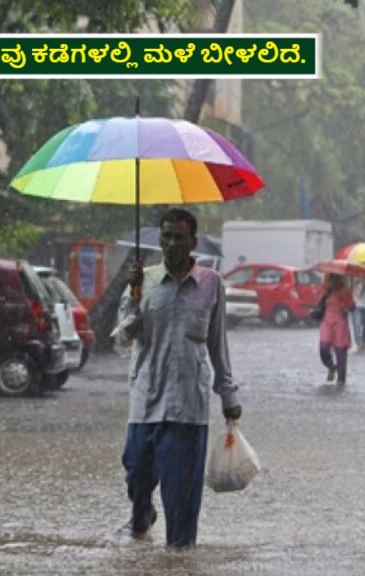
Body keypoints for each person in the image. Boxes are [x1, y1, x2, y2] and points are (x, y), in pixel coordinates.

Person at [115, 208, 242, 548]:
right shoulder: (143, 280)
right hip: (146, 399)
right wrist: (133, 297)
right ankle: (142, 513)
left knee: (182, 501)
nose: (171, 244)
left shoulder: (211, 284)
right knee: (137, 473)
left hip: (188, 406)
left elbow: (218, 342)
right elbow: (123, 337)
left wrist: (228, 394)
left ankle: (179, 558)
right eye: (166, 237)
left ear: (192, 242)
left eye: (178, 238)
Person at [318, 273, 355, 385]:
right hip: (327, 321)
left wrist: (345, 301)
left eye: (337, 278)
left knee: (340, 351)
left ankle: (341, 379)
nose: (334, 281)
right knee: (323, 347)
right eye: (332, 278)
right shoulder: (326, 290)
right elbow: (319, 303)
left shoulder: (345, 291)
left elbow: (352, 307)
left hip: (340, 322)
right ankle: (331, 366)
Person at [350, 277, 365, 353]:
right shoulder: (353, 277)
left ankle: (364, 341)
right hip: (356, 304)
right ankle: (359, 343)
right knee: (357, 324)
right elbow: (350, 288)